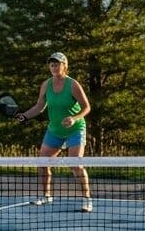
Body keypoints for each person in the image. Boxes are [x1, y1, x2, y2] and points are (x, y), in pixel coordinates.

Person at [15, 52, 93, 212]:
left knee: (75, 163)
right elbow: (39, 106)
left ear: (65, 66)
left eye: (57, 64)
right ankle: (46, 195)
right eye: (51, 64)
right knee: (42, 163)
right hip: (54, 130)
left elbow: (87, 107)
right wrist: (24, 116)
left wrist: (74, 118)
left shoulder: (73, 85)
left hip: (75, 129)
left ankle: (87, 199)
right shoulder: (46, 85)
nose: (54, 67)